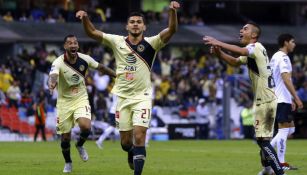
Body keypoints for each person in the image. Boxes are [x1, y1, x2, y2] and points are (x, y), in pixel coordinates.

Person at [76, 1, 180, 174]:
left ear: (144, 27)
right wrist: (85, 18)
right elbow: (92, 32)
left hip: (143, 97)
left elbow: (171, 30)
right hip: (122, 98)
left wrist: (172, 12)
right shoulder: (117, 42)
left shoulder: (152, 43)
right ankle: (131, 153)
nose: (135, 24)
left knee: (139, 137)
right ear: (127, 26)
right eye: (132, 22)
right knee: (125, 143)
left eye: (139, 22)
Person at [203, 22, 285, 175]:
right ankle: (268, 170)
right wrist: (219, 53)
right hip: (265, 100)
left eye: (245, 29)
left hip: (266, 100)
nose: (241, 30)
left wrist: (218, 42)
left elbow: (241, 50)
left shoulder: (257, 47)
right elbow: (234, 62)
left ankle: (279, 172)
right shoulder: (252, 53)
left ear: (254, 35)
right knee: (262, 141)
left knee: (264, 141)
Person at [48, 34, 116, 173]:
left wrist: (117, 75)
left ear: (77, 46)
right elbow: (53, 74)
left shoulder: (85, 59)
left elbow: (101, 68)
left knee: (86, 126)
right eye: (70, 43)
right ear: (65, 46)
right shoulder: (58, 62)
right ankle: (68, 162)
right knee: (65, 139)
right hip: (64, 103)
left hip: (80, 98)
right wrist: (52, 83)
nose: (73, 45)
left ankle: (79, 145)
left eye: (75, 43)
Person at [269, 33, 303, 170]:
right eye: (292, 41)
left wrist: (290, 98)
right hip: (281, 99)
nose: (294, 44)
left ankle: (269, 150)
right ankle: (278, 161)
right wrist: (296, 97)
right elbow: (285, 78)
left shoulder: (275, 57)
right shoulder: (283, 57)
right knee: (284, 131)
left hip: (280, 98)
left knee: (291, 129)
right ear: (286, 42)